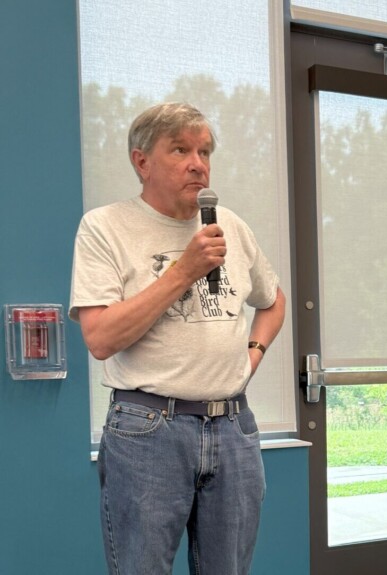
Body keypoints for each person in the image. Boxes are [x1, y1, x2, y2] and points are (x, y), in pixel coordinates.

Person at [69, 102, 286, 575]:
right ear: (141, 161)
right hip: (149, 430)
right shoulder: (104, 227)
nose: (198, 163)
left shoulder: (229, 224)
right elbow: (101, 338)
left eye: (205, 151)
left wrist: (253, 355)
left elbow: (272, 301)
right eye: (181, 149)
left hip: (233, 428)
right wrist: (186, 269)